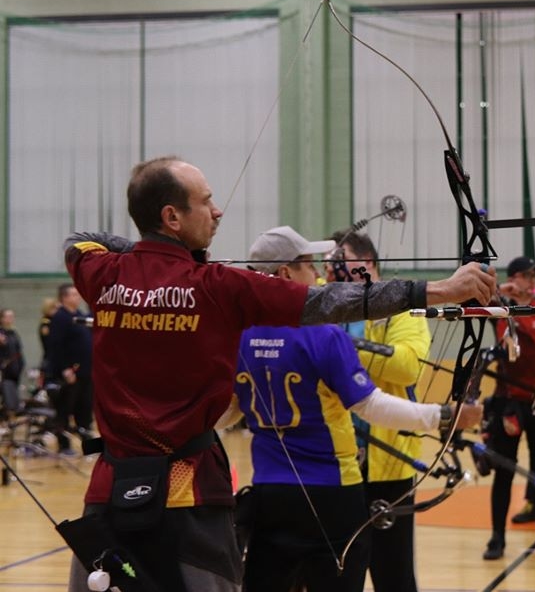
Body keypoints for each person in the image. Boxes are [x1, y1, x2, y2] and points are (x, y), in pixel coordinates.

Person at [63, 156, 496, 592]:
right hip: (192, 499)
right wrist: (437, 289)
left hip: (111, 493)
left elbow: (78, 241)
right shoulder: (219, 287)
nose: (218, 211)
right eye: (206, 202)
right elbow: (330, 307)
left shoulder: (103, 276)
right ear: (172, 216)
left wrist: (150, 263)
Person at [233, 226, 481, 592]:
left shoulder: (240, 333)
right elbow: (372, 404)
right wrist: (443, 416)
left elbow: (406, 365)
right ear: (285, 274)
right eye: (310, 265)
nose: (319, 273)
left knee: (390, 573)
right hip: (334, 489)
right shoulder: (324, 331)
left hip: (278, 488)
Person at [328, 229, 431, 592]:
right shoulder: (327, 307)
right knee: (340, 570)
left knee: (393, 573)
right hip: (337, 461)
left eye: (341, 260)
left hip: (388, 459)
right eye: (329, 262)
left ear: (368, 264)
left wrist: (339, 347)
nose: (331, 268)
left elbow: (406, 366)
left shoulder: (400, 306)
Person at [483, 256, 535, 561]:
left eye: (534, 276)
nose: (533, 281)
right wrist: (503, 290)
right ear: (515, 277)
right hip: (510, 403)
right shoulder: (501, 310)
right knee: (503, 472)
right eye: (527, 276)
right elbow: (474, 300)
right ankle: (497, 539)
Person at [46, 283, 93, 453]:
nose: (77, 297)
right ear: (64, 297)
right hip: (69, 373)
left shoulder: (80, 315)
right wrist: (65, 368)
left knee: (85, 410)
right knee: (65, 410)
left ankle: (89, 449)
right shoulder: (60, 317)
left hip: (85, 371)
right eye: (73, 294)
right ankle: (64, 447)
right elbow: (55, 346)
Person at [0, 309, 25, 419]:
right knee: (7, 397)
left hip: (15, 369)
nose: (10, 319)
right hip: (5, 371)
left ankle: (10, 418)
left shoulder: (13, 332)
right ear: (1, 319)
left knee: (13, 397)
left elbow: (18, 351)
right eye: (7, 316)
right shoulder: (1, 334)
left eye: (12, 316)